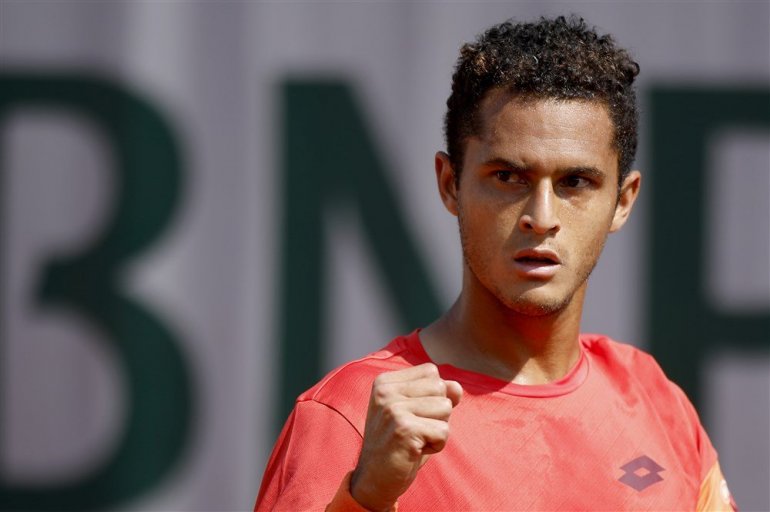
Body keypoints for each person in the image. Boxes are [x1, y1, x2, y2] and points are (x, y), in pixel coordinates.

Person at [255, 16, 737, 511]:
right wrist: (365, 498)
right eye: (508, 177)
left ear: (623, 200)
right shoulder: (350, 416)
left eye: (575, 183)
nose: (541, 218)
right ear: (450, 184)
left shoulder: (658, 402)